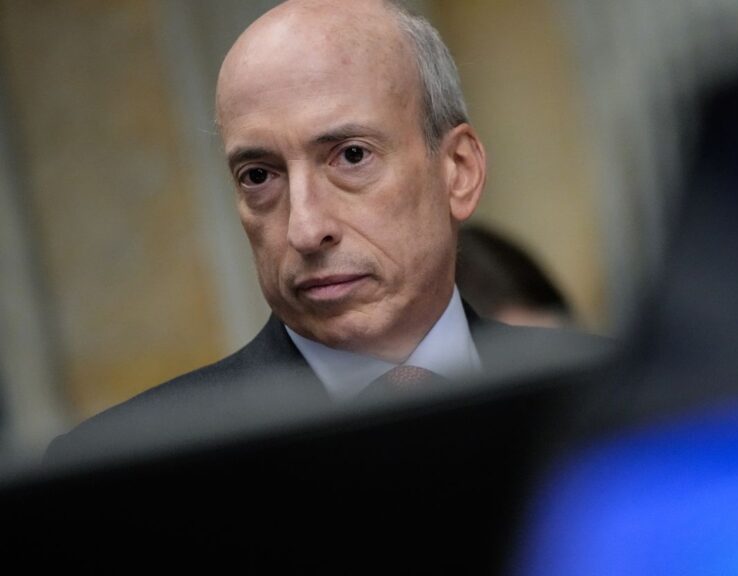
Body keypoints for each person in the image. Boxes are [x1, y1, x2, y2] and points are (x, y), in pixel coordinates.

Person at [46, 0, 605, 462]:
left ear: (458, 170)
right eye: (259, 175)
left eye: (352, 155)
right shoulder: (128, 469)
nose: (306, 229)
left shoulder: (607, 399)